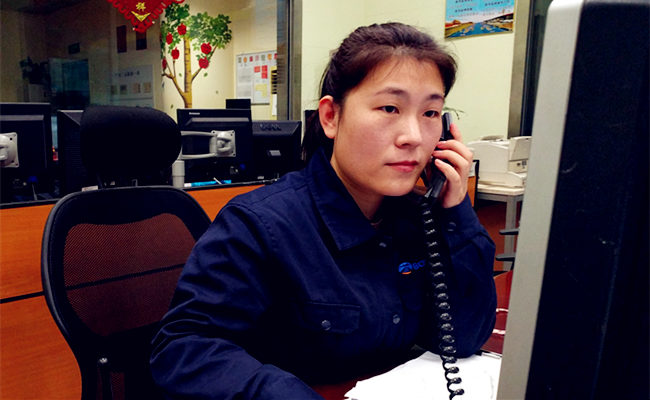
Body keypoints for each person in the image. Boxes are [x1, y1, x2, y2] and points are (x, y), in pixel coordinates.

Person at [150, 22, 496, 399]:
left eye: (430, 113)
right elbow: (184, 347)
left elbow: (463, 338)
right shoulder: (261, 224)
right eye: (390, 108)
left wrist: (455, 212)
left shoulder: (420, 218)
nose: (413, 136)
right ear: (331, 117)